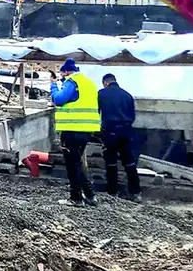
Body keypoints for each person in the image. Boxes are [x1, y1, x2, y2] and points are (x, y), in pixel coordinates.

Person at [50, 58, 100, 207]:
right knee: (77, 162)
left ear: (66, 72)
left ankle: (76, 198)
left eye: (62, 74)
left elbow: (59, 99)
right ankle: (90, 195)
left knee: (72, 164)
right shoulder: (88, 82)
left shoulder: (72, 82)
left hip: (72, 129)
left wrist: (53, 86)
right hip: (86, 130)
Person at [97, 73, 142, 202]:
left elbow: (97, 111)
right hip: (126, 131)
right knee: (129, 163)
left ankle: (112, 192)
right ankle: (135, 192)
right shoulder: (127, 95)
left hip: (110, 131)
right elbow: (132, 116)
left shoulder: (102, 93)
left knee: (111, 163)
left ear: (105, 83)